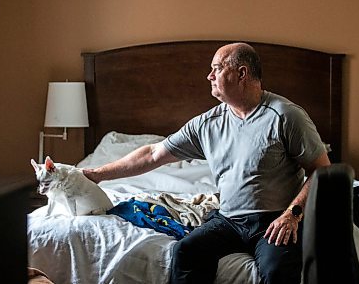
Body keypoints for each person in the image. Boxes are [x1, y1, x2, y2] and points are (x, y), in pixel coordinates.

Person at [83, 43, 331, 284]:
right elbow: (153, 154)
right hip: (228, 219)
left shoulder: (285, 116)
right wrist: (96, 174)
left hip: (275, 219)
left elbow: (322, 170)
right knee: (185, 251)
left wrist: (293, 215)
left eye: (217, 68)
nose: (209, 75)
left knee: (278, 270)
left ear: (241, 73)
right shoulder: (207, 124)